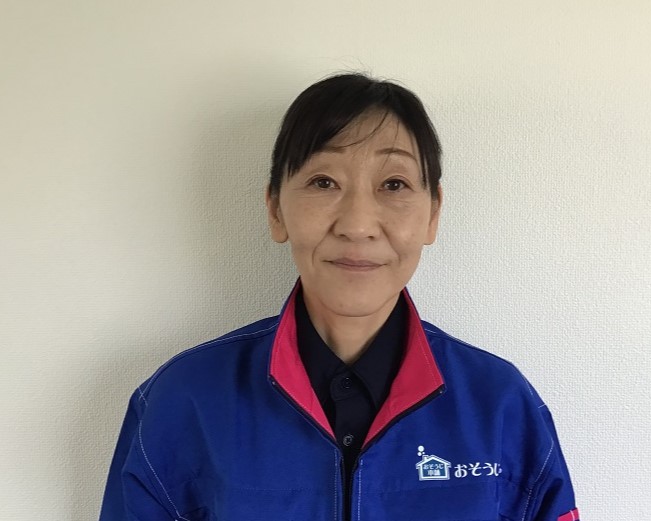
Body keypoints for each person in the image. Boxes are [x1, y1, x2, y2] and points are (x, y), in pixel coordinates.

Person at [99, 73, 579, 521]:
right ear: (276, 210)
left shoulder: (500, 406)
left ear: (433, 214)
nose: (357, 225)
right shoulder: (183, 400)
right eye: (323, 182)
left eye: (394, 184)